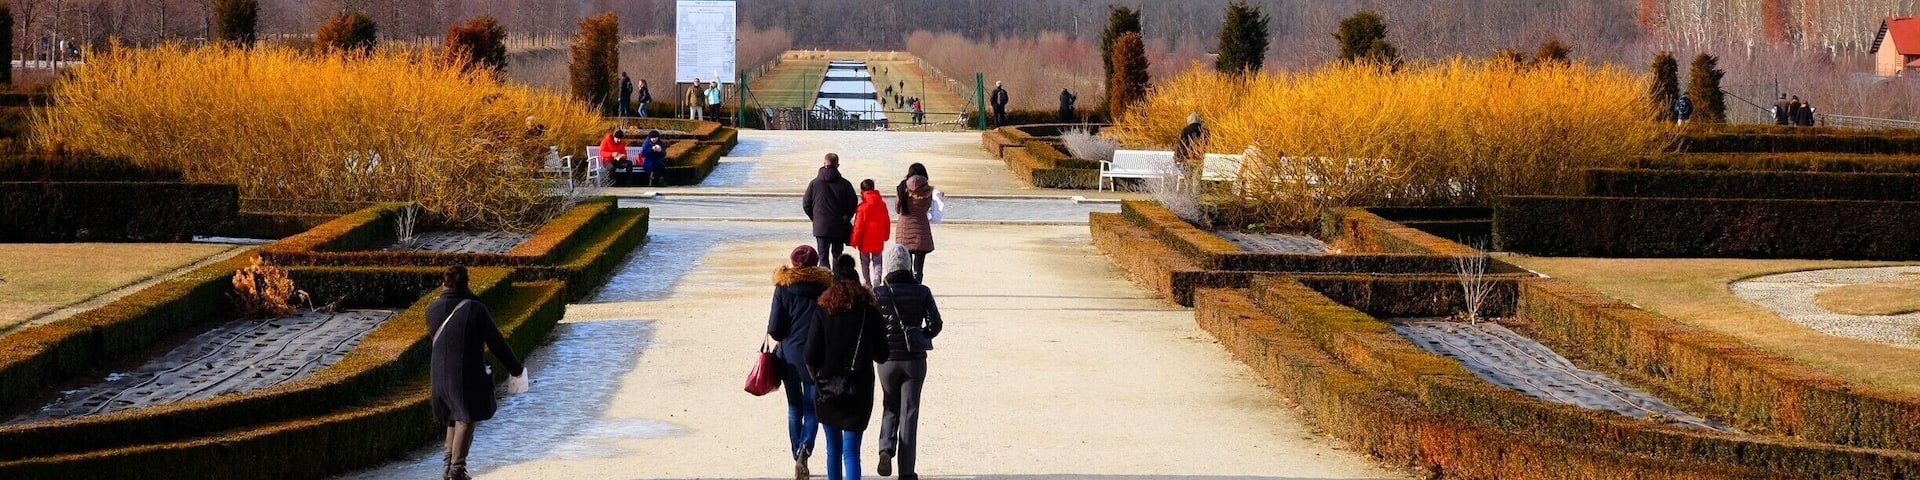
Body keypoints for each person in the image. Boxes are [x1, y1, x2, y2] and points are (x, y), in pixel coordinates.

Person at [427, 265, 528, 480]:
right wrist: (516, 369)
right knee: (465, 418)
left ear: (444, 284)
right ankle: (457, 470)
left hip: (438, 373)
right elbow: (496, 343)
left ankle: (448, 468)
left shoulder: (432, 309)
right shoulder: (475, 309)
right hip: (464, 373)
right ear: (466, 284)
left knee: (453, 417)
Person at [805, 256, 889, 480]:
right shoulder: (870, 312)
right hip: (859, 388)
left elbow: (810, 354)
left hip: (827, 388)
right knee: (851, 451)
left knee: (833, 450)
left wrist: (817, 377)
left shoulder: (823, 310)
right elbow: (882, 355)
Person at [871, 244, 942, 480]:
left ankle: (885, 448)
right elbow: (936, 324)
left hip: (887, 359)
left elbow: (872, 325)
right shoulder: (922, 291)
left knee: (890, 405)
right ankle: (907, 472)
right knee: (909, 413)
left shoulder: (879, 293)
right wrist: (921, 334)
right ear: (909, 265)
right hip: (914, 360)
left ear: (889, 266)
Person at [768, 245, 832, 479]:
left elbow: (775, 328)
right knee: (812, 408)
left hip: (790, 356)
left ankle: (797, 453)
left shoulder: (783, 288)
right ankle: (805, 449)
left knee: (795, 407)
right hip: (817, 355)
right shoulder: (825, 286)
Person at [804, 153, 858, 272]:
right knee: (837, 256)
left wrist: (815, 218)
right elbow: (853, 203)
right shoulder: (845, 184)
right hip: (839, 226)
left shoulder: (814, 183)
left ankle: (824, 280)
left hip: (820, 226)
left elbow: (806, 204)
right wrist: (846, 218)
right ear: (837, 165)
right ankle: (837, 280)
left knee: (823, 257)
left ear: (824, 163)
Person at [848, 179, 891, 288]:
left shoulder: (862, 207)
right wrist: (886, 235)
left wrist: (854, 241)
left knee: (865, 262)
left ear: (862, 191)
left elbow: (858, 226)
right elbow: (886, 221)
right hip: (878, 238)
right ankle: (877, 276)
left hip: (864, 240)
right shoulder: (882, 205)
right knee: (877, 261)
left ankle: (867, 283)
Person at [894, 175, 937, 282]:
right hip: (921, 232)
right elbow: (927, 209)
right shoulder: (927, 196)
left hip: (904, 232)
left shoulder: (903, 194)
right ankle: (918, 284)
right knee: (919, 267)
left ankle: (909, 285)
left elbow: (897, 209)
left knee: (906, 264)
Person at [1176, 113, 1209, 185]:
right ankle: (1195, 192)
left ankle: (1188, 192)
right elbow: (1208, 145)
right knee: (1196, 182)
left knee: (1188, 181)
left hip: (1188, 159)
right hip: (1200, 159)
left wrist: (1178, 158)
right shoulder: (1205, 131)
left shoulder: (1185, 130)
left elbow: (1181, 145)